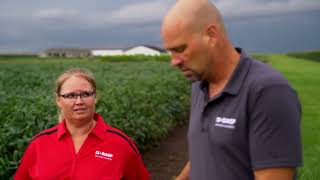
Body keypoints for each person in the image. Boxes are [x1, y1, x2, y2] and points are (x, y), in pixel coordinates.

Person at [161, 0, 302, 180]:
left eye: (180, 49)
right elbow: (206, 151)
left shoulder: (268, 92)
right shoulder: (199, 86)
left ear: (211, 35)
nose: (174, 61)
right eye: (170, 52)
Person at [14, 68, 150, 180]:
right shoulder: (39, 144)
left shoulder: (120, 144)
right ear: (58, 100)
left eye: (85, 94)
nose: (79, 101)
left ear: (95, 97)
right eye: (70, 96)